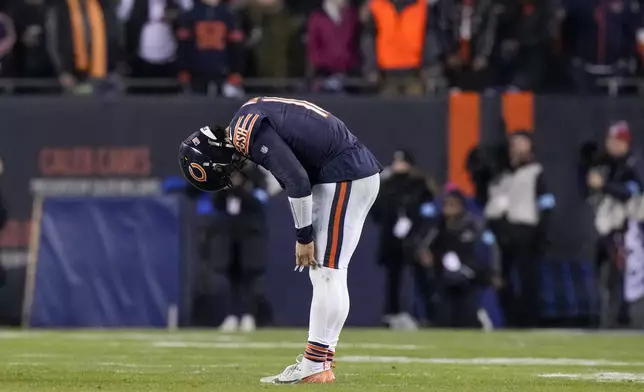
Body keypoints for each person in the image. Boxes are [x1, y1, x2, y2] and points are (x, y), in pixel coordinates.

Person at [178, 96, 382, 384]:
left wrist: (304, 236)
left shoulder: (242, 130)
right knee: (328, 273)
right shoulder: (249, 113)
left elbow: (296, 180)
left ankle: (314, 363)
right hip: (350, 171)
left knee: (327, 273)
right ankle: (321, 360)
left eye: (225, 169)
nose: (234, 168)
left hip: (344, 174)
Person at [483, 131, 555, 327]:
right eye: (515, 144)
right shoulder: (503, 176)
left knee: (528, 280)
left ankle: (529, 322)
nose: (518, 149)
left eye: (523, 144)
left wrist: (542, 232)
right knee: (502, 280)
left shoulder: (536, 173)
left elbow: (546, 204)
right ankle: (512, 320)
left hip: (526, 232)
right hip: (503, 233)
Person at [418, 186, 501, 328]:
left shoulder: (474, 225)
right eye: (446, 204)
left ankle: (479, 316)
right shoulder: (438, 227)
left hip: (469, 276)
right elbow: (423, 246)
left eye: (452, 204)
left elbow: (491, 247)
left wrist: (494, 271)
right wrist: (426, 255)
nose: (448, 208)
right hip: (444, 278)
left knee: (467, 319)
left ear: (460, 206)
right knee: (443, 319)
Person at [371, 150, 436, 328]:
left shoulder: (420, 185)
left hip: (415, 240)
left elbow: (429, 213)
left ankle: (427, 316)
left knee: (421, 279)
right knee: (393, 279)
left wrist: (417, 231)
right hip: (392, 241)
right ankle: (392, 315)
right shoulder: (385, 185)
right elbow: (375, 213)